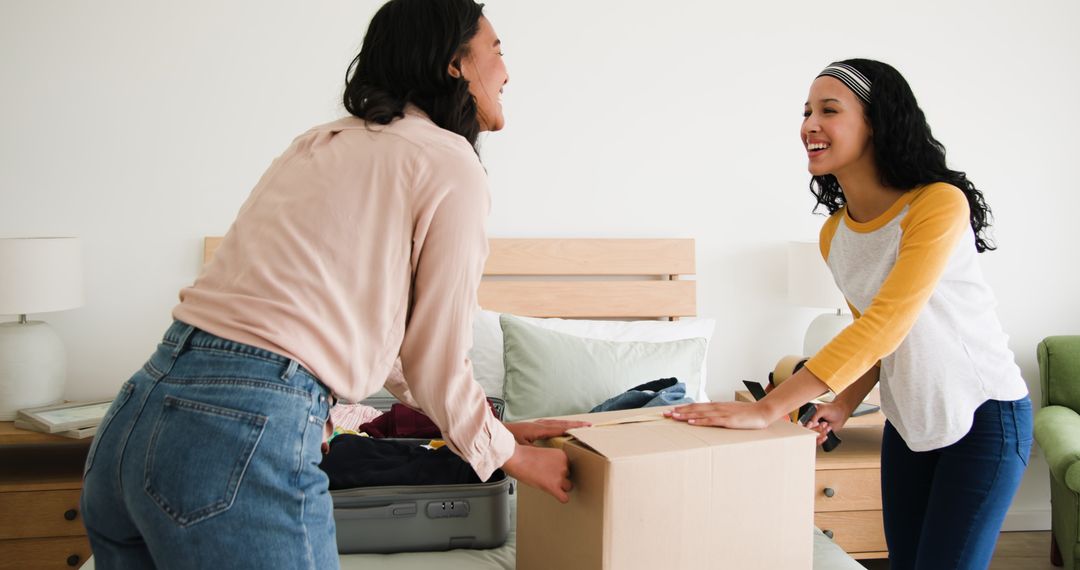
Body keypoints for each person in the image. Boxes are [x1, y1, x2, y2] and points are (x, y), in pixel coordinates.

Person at [81, 1, 582, 568]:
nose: (506, 69)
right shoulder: (449, 164)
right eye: (496, 49)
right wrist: (510, 456)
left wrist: (486, 429)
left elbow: (396, 349)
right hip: (240, 433)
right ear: (455, 64)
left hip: (135, 415)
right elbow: (436, 360)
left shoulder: (316, 144)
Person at [668, 59, 1032, 569]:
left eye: (829, 110)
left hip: (984, 416)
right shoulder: (835, 235)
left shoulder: (938, 204)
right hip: (910, 424)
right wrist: (841, 404)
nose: (809, 125)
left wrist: (768, 406)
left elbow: (888, 321)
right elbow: (874, 339)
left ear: (877, 123)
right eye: (806, 112)